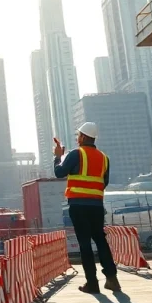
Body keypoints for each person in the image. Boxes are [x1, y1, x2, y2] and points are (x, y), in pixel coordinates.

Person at [54, 122, 120, 294]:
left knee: (84, 244)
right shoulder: (104, 158)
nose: (77, 138)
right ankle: (112, 279)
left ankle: (92, 283)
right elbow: (103, 182)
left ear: (82, 137)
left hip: (78, 206)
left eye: (78, 136)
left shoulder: (76, 154)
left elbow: (59, 173)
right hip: (97, 206)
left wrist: (58, 156)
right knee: (101, 240)